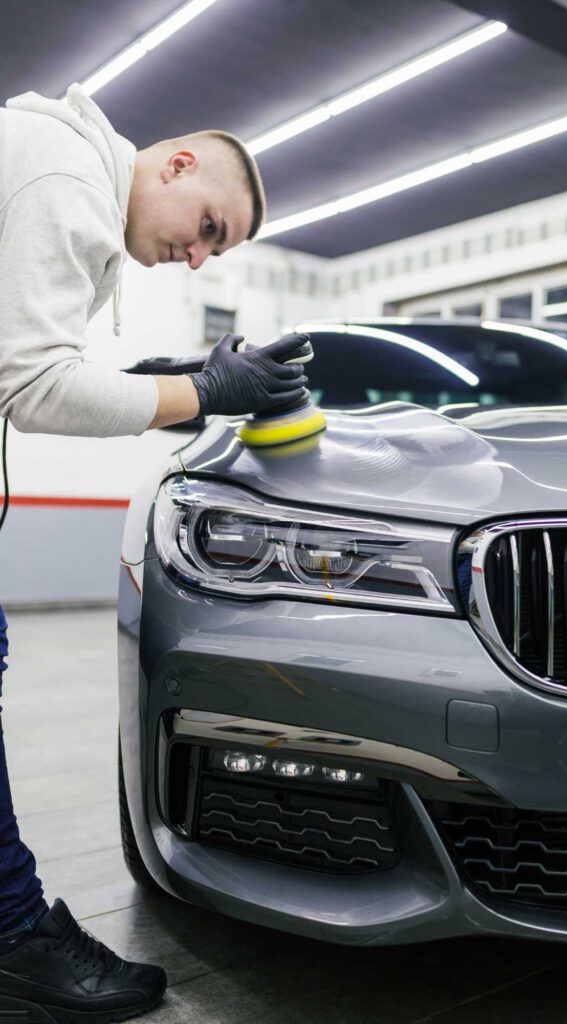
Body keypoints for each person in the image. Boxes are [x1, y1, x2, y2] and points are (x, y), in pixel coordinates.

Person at [0, 84, 307, 1020]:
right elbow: (30, 381)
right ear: (175, 161)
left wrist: (174, 379)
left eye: (220, 248)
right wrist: (206, 395)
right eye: (210, 223)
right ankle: (11, 939)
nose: (199, 255)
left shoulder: (48, 165)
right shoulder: (63, 174)